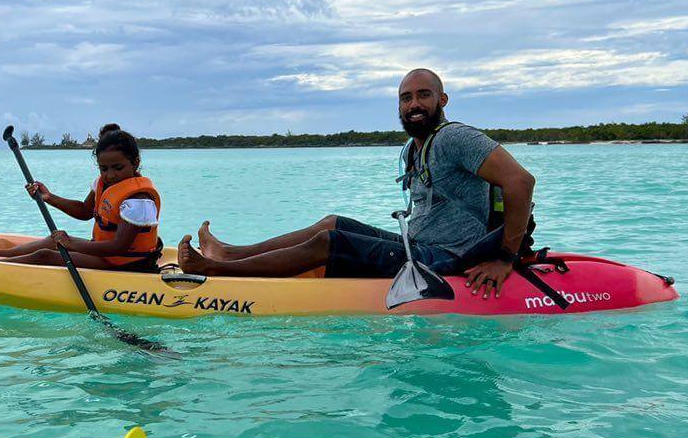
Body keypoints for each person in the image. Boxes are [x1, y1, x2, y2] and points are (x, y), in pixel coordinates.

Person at [178, 68, 536, 299]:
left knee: (329, 242)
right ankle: (232, 253)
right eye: (406, 97)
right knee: (333, 222)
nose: (414, 104)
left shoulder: (455, 137)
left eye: (424, 95)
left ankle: (214, 269)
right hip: (419, 244)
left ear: (441, 100)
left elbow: (520, 181)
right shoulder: (417, 147)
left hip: (446, 257)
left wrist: (505, 258)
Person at [0, 124, 163, 271]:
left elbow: (119, 248)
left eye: (118, 167)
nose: (110, 175)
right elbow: (85, 212)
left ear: (135, 163)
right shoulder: (103, 183)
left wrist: (71, 243)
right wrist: (49, 197)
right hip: (107, 255)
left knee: (44, 255)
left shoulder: (139, 200)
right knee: (52, 240)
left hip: (128, 264)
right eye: (103, 168)